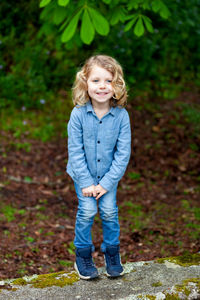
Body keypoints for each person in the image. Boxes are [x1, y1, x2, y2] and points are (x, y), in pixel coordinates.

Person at [66, 55, 131, 280]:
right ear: (85, 83)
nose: (102, 86)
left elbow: (122, 155)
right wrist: (86, 183)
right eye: (96, 80)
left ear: (117, 86)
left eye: (108, 81)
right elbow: (75, 152)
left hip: (108, 177)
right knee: (87, 212)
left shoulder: (122, 117)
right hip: (82, 175)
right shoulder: (78, 115)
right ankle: (83, 256)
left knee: (110, 212)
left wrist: (105, 184)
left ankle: (112, 254)